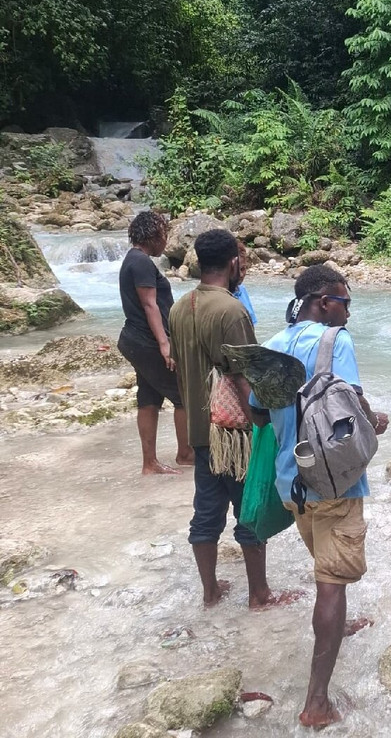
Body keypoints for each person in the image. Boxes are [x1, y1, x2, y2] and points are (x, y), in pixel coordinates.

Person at [255, 264, 388, 728]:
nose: (348, 312)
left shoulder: (272, 344)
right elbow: (351, 402)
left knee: (326, 569)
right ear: (323, 301)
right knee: (331, 581)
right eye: (345, 302)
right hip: (335, 482)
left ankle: (338, 624)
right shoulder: (336, 342)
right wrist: (377, 420)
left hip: (290, 482)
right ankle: (317, 703)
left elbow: (257, 414)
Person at [169, 229, 295, 609]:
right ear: (233, 263)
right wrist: (264, 424)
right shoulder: (232, 310)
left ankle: (209, 593)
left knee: (205, 512)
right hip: (236, 433)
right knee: (250, 509)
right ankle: (259, 594)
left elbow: (180, 369)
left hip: (201, 431)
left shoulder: (179, 307)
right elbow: (245, 375)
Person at [117, 210, 194, 475]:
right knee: (182, 396)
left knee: (149, 398)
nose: (166, 241)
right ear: (152, 235)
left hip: (135, 341)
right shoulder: (141, 263)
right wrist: (164, 343)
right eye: (164, 234)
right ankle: (185, 453)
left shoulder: (134, 259)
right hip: (146, 341)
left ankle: (149, 463)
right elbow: (150, 305)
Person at [233, 239, 257, 326]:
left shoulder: (242, 290)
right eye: (237, 270)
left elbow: (252, 324)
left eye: (243, 269)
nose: (241, 274)